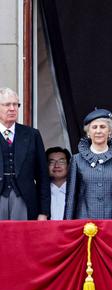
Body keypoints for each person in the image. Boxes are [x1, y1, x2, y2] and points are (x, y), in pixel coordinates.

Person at [66, 108, 112, 220]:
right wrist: (67, 227)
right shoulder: (76, 160)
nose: (98, 131)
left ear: (110, 131)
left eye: (103, 127)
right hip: (84, 223)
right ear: (88, 132)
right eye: (94, 127)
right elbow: (71, 198)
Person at [0, 87, 49, 221]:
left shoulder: (32, 134)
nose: (12, 108)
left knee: (21, 240)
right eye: (7, 105)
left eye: (15, 104)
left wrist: (43, 212)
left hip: (24, 199)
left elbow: (42, 176)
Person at [44, 147, 70, 220]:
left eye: (61, 162)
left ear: (68, 165)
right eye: (51, 162)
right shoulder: (38, 193)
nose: (57, 166)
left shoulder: (78, 190)